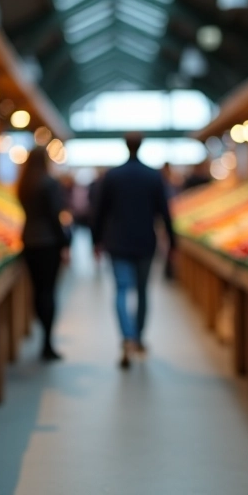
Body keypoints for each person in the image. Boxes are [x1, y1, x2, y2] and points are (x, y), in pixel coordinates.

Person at [93, 134, 175, 368]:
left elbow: (98, 212)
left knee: (120, 290)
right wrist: (172, 242)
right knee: (142, 292)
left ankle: (126, 336)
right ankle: (138, 338)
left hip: (116, 242)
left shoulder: (112, 176)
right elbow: (165, 212)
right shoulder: (153, 176)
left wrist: (95, 241)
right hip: (145, 243)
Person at [17, 146, 69, 361]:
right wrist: (65, 242)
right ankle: (47, 342)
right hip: (49, 243)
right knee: (49, 291)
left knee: (38, 291)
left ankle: (42, 332)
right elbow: (55, 217)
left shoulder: (23, 185)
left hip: (29, 240)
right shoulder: (50, 183)